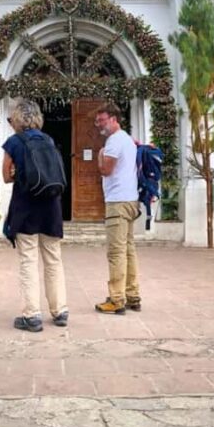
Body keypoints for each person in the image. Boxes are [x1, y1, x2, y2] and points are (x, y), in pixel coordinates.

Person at [2, 99, 68, 332]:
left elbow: (6, 177)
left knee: (28, 260)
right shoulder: (48, 139)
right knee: (53, 259)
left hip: (26, 207)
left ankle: (32, 315)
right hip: (51, 207)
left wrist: (17, 172)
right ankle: (60, 310)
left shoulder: (14, 142)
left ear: (17, 119)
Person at [94, 103, 141, 315]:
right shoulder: (128, 140)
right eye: (97, 121)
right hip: (131, 200)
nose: (99, 125)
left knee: (116, 252)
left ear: (114, 119)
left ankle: (116, 299)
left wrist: (100, 155)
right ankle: (132, 295)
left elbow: (106, 170)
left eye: (102, 120)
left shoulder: (113, 141)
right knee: (129, 250)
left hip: (118, 202)